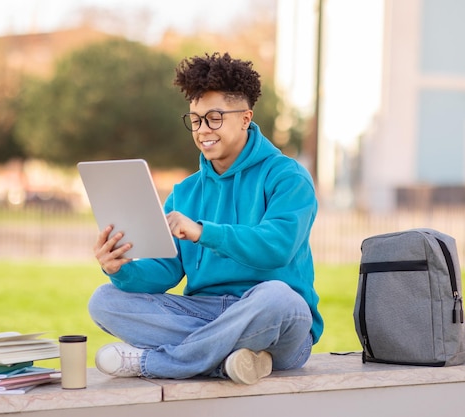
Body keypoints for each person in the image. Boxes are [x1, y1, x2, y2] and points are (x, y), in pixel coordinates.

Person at [89, 52, 323, 385]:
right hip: (206, 313)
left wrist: (203, 232)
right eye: (196, 120)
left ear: (245, 118)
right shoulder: (185, 192)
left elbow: (277, 247)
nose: (202, 130)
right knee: (105, 300)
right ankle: (227, 359)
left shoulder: (288, 177)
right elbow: (166, 270)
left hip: (276, 324)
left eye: (214, 118)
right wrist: (121, 268)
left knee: (280, 297)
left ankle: (159, 363)